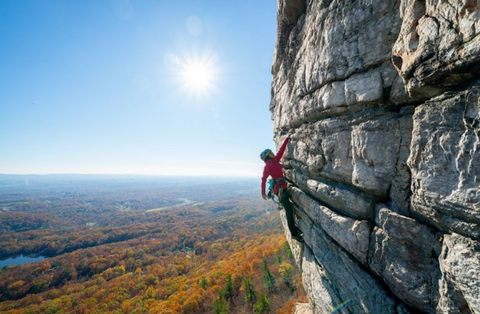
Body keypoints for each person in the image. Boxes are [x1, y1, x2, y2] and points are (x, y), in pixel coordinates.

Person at [260, 136, 303, 242]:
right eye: (270, 152)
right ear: (267, 156)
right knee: (288, 211)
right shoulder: (267, 166)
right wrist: (263, 193)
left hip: (283, 187)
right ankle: (294, 234)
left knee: (290, 209)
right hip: (279, 191)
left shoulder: (275, 161)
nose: (272, 153)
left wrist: (286, 140)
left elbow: (281, 151)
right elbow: (263, 179)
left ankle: (294, 229)